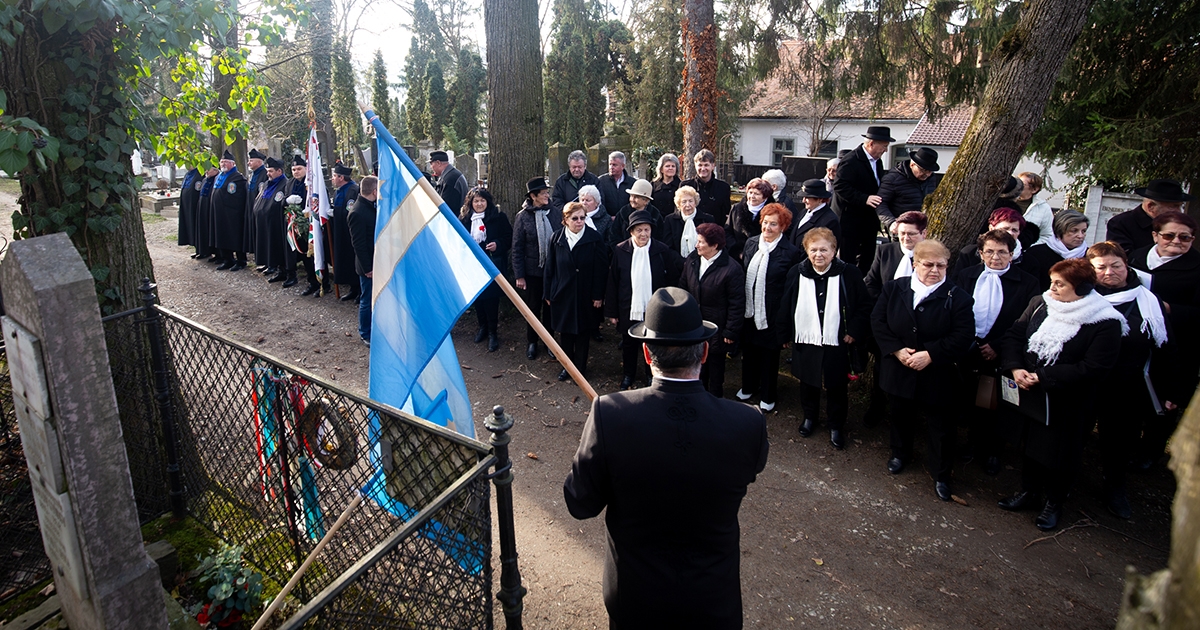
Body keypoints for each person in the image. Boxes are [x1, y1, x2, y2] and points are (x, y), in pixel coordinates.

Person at [564, 287, 768, 630]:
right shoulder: (747, 423)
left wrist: (599, 442)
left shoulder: (610, 414)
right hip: (712, 601)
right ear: (704, 352)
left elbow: (579, 502)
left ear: (646, 353)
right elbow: (751, 469)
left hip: (636, 600)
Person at [998, 258, 1125, 531]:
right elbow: (1015, 335)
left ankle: (1054, 503)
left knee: (1062, 454)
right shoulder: (1040, 304)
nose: (1052, 288)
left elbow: (1095, 367)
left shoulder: (1104, 321)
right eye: (1052, 281)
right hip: (1030, 390)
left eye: (1060, 284)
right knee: (1031, 446)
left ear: (1081, 288)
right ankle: (1029, 492)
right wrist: (1015, 367)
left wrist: (1044, 377)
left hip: (1068, 401)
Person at [871, 239, 975, 501]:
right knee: (900, 415)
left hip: (938, 372)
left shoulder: (958, 297)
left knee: (941, 426)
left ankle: (941, 474)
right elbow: (878, 320)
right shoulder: (895, 288)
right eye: (928, 265)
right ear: (915, 263)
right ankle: (900, 454)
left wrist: (931, 354)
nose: (935, 270)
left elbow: (964, 335)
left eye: (941, 265)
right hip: (900, 367)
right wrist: (896, 350)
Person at [1089, 241, 1170, 518]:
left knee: (1119, 441)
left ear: (1127, 266)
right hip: (1084, 381)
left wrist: (1169, 391)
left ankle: (1115, 488)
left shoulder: (1148, 301)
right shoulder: (1079, 294)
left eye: (1116, 266)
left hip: (1127, 384)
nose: (1109, 272)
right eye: (1100, 268)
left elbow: (1165, 348)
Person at [953, 230, 1040, 475]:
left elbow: (1025, 322)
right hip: (968, 347)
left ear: (1012, 254)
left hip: (1002, 351)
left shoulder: (1027, 283)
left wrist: (997, 346)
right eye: (989, 251)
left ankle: (993, 451)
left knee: (995, 404)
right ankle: (971, 443)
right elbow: (957, 311)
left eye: (1002, 252)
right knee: (971, 400)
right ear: (980, 254)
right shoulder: (967, 275)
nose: (995, 257)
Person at [777, 227, 871, 449]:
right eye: (813, 250)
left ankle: (836, 425)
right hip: (806, 339)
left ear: (834, 251)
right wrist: (784, 334)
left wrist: (854, 332)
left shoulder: (849, 273)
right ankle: (810, 417)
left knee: (836, 385)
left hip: (837, 341)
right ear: (807, 251)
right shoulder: (796, 272)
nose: (818, 255)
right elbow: (786, 304)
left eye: (824, 250)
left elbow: (864, 306)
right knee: (808, 382)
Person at [1128, 211, 1200, 467]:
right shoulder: (1137, 256)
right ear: (1155, 235)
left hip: (1179, 342)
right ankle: (1127, 443)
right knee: (1133, 394)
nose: (1176, 241)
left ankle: (1151, 451)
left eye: (1185, 237)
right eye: (1169, 235)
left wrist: (1170, 309)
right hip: (1139, 337)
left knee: (1165, 398)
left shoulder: (1197, 266)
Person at [862, 210, 928, 426]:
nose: (906, 239)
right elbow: (871, 281)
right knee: (882, 368)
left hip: (917, 327)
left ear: (924, 234)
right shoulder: (886, 251)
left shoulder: (929, 256)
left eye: (911, 234)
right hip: (886, 325)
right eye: (902, 234)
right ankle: (876, 407)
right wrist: (883, 307)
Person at [606, 210, 683, 389]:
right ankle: (628, 375)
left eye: (647, 230)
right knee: (629, 343)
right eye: (639, 230)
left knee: (653, 344)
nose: (643, 234)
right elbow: (613, 282)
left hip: (655, 308)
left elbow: (671, 280)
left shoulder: (661, 250)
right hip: (628, 306)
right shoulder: (620, 250)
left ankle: (652, 376)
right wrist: (612, 312)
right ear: (631, 231)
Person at [736, 203, 801, 412]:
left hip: (772, 314)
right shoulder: (751, 243)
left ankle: (767, 394)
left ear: (782, 226)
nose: (768, 228)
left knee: (769, 358)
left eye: (773, 224)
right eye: (765, 223)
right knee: (750, 352)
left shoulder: (791, 252)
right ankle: (748, 386)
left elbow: (791, 289)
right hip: (750, 309)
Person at [544, 202, 608, 381]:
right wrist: (548, 293)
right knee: (566, 333)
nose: (579, 222)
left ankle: (580, 369)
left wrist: (598, 295)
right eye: (575, 218)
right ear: (565, 220)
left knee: (582, 333)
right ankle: (567, 367)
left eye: (582, 218)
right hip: (563, 293)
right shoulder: (557, 238)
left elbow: (601, 269)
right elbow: (550, 268)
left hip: (585, 295)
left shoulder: (594, 238)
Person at [680, 223, 744, 398]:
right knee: (696, 366)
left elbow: (736, 303)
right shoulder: (692, 259)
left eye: (701, 242)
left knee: (715, 368)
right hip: (695, 324)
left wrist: (730, 331)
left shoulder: (731, 269)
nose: (696, 245)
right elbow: (683, 287)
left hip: (717, 327)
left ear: (715, 245)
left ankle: (715, 400)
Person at [512, 177, 561, 360]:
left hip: (553, 271)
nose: (547, 195)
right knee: (533, 308)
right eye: (543, 193)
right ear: (533, 196)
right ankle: (532, 342)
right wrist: (520, 275)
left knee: (550, 308)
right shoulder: (523, 217)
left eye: (547, 192)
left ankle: (550, 342)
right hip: (532, 272)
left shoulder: (555, 213)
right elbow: (517, 247)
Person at [834, 126, 893, 273]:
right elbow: (840, 186)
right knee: (849, 260)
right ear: (871, 143)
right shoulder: (851, 161)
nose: (885, 150)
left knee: (867, 258)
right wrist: (864, 198)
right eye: (884, 146)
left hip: (868, 219)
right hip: (850, 221)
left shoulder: (877, 161)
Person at [461, 187, 512, 353]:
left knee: (491, 300)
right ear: (471, 203)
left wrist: (497, 244)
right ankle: (482, 327)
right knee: (479, 299)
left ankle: (492, 332)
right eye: (476, 201)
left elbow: (509, 238)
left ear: (487, 202)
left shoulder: (498, 218)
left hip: (492, 265)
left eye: (482, 200)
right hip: (472, 266)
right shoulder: (464, 219)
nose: (479, 204)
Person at [1105, 179, 1191, 255]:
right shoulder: (1121, 223)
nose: (1179, 211)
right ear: (1151, 206)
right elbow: (1122, 257)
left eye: (1180, 206)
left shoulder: (1180, 225)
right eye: (1173, 206)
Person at [1019, 210, 1090, 291]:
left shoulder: (1089, 256)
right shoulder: (1036, 254)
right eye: (1074, 231)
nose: (1080, 236)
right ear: (1060, 231)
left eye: (1083, 231)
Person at [876, 147, 938, 234]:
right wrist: (891, 222)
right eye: (923, 170)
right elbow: (880, 203)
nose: (926, 174)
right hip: (901, 229)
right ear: (912, 165)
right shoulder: (893, 178)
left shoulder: (931, 178)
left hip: (923, 229)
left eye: (930, 171)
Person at [347, 176, 378, 346]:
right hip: (368, 265)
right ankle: (365, 332)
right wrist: (368, 268)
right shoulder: (357, 212)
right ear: (374, 191)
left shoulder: (370, 207)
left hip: (377, 261)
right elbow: (358, 244)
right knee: (366, 299)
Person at [251, 156, 289, 282]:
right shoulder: (267, 183)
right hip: (265, 221)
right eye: (267, 171)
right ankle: (272, 265)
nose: (268, 174)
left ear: (279, 171)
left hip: (276, 222)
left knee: (277, 246)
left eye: (271, 171)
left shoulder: (285, 184)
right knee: (268, 244)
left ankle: (283, 270)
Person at [211, 150, 249, 271]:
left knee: (235, 236)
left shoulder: (237, 177)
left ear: (232, 164)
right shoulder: (220, 176)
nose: (223, 164)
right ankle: (227, 259)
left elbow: (239, 196)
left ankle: (241, 260)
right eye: (222, 162)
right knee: (222, 235)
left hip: (233, 213)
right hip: (220, 213)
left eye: (226, 162)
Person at [958, 207, 1028, 271]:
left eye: (1014, 230)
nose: (1010, 233)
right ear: (991, 228)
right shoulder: (969, 253)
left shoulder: (1029, 262)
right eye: (1005, 229)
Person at [281, 156, 314, 291]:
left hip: (308, 225)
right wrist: (287, 201)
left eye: (299, 169)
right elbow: (282, 201)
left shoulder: (311, 183)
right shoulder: (289, 183)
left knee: (309, 255)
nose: (296, 172)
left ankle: (315, 282)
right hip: (293, 224)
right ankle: (292, 276)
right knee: (292, 252)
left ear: (306, 169)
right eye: (293, 169)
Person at [330, 163, 361, 301]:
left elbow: (351, 210)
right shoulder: (338, 191)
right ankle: (352, 288)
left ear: (341, 177)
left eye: (334, 176)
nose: (332, 179)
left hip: (350, 231)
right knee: (344, 259)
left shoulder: (353, 190)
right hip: (340, 230)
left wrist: (335, 212)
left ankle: (359, 289)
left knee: (352, 258)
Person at [725, 178, 774, 260]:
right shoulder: (737, 208)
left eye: (757, 194)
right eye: (750, 193)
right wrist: (737, 252)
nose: (752, 197)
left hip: (762, 257)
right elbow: (727, 232)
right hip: (737, 257)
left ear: (765, 197)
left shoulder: (773, 212)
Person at [681, 149, 732, 227]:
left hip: (714, 232)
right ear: (695, 166)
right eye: (700, 165)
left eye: (706, 165)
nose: (703, 168)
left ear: (713, 166)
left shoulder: (723, 188)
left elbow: (726, 215)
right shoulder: (685, 186)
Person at [788, 179, 841, 252]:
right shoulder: (804, 212)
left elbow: (829, 249)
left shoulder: (830, 220)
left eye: (807, 197)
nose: (803, 200)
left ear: (819, 199)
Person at [661, 185, 713, 257]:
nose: (688, 205)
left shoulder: (707, 219)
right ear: (679, 204)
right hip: (677, 264)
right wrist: (683, 263)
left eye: (690, 201)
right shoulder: (670, 220)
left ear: (695, 202)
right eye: (684, 202)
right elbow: (668, 246)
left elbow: (710, 245)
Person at [609, 179, 664, 246]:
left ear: (646, 200)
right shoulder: (623, 212)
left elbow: (660, 238)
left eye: (636, 197)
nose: (632, 200)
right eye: (631, 196)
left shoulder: (655, 215)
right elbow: (614, 235)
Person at [1016, 172, 1054, 247]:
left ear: (1034, 189)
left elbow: (1047, 235)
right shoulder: (1006, 202)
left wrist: (1029, 246)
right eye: (1017, 182)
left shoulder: (1043, 208)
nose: (1017, 186)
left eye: (1022, 184)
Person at [245, 148, 267, 262]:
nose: (249, 163)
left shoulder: (265, 174)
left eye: (251, 160)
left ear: (259, 162)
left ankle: (264, 259)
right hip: (251, 207)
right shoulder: (253, 174)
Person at [430, 150, 468, 217]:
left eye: (431, 164)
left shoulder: (450, 179)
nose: (431, 167)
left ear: (438, 163)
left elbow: (448, 207)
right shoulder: (448, 175)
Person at [596, 151, 634, 217]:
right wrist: (607, 217)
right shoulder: (601, 181)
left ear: (623, 166)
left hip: (626, 220)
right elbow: (599, 203)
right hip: (607, 221)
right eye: (610, 164)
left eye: (614, 165)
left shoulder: (632, 183)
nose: (611, 167)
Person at [177, 165, 202, 254]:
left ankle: (201, 249)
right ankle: (196, 248)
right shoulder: (187, 174)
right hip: (186, 206)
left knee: (196, 226)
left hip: (194, 205)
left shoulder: (199, 174)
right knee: (189, 226)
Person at [196, 167, 218, 262]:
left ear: (215, 170)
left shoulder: (217, 179)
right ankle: (204, 250)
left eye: (209, 169)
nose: (206, 171)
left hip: (211, 207)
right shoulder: (205, 179)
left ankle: (217, 253)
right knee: (203, 229)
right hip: (203, 206)